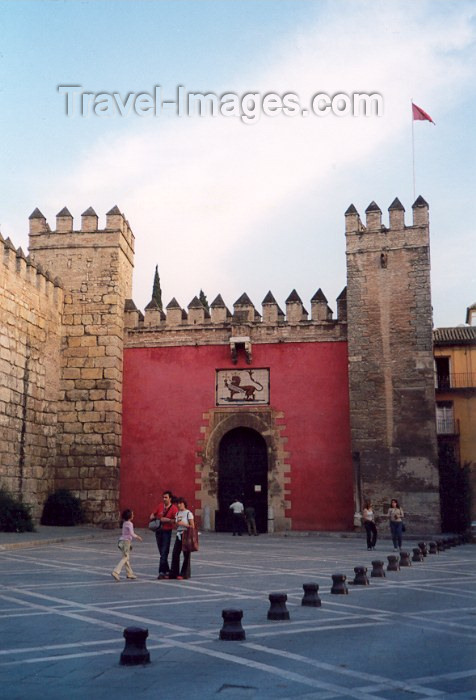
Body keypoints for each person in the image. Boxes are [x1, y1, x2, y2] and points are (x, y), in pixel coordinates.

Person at [150, 490, 178, 579]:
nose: (164, 499)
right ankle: (167, 570)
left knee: (164, 552)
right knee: (161, 552)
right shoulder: (160, 506)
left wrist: (167, 520)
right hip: (158, 531)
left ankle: (161, 572)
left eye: (166, 497)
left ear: (170, 498)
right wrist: (159, 518)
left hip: (167, 531)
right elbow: (152, 516)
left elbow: (176, 520)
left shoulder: (174, 508)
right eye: (163, 497)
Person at [112, 509, 142, 581]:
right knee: (125, 558)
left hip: (122, 541)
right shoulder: (130, 524)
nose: (133, 515)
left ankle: (129, 573)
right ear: (129, 516)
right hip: (126, 542)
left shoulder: (124, 523)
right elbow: (131, 533)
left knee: (126, 558)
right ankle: (116, 571)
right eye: (132, 514)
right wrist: (138, 537)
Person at [170, 497, 194, 580]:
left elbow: (192, 526)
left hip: (186, 535)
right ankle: (174, 573)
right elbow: (177, 524)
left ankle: (184, 573)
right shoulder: (177, 513)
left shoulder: (188, 513)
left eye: (180, 503)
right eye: (178, 504)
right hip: (179, 535)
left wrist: (184, 524)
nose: (179, 505)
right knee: (175, 553)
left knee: (186, 555)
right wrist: (177, 524)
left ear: (184, 504)